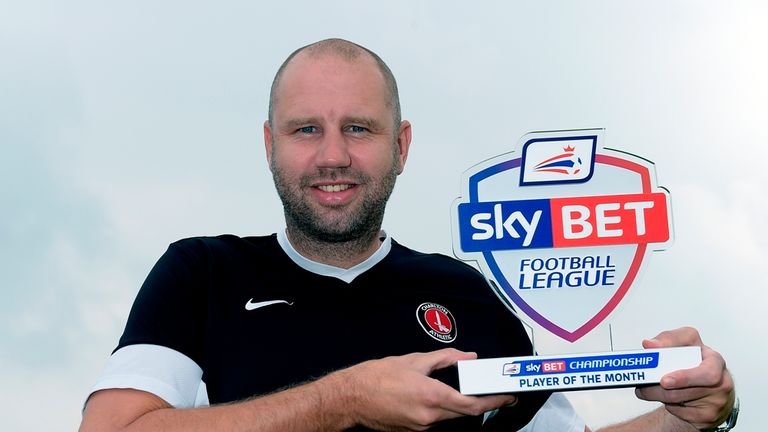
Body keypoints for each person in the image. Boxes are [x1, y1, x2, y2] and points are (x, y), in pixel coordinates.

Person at [80, 38, 736, 432]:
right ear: (268, 144)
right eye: (306, 129)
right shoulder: (202, 273)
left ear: (401, 145)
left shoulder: (465, 292)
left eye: (359, 129)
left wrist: (683, 415)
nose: (333, 155)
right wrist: (342, 401)